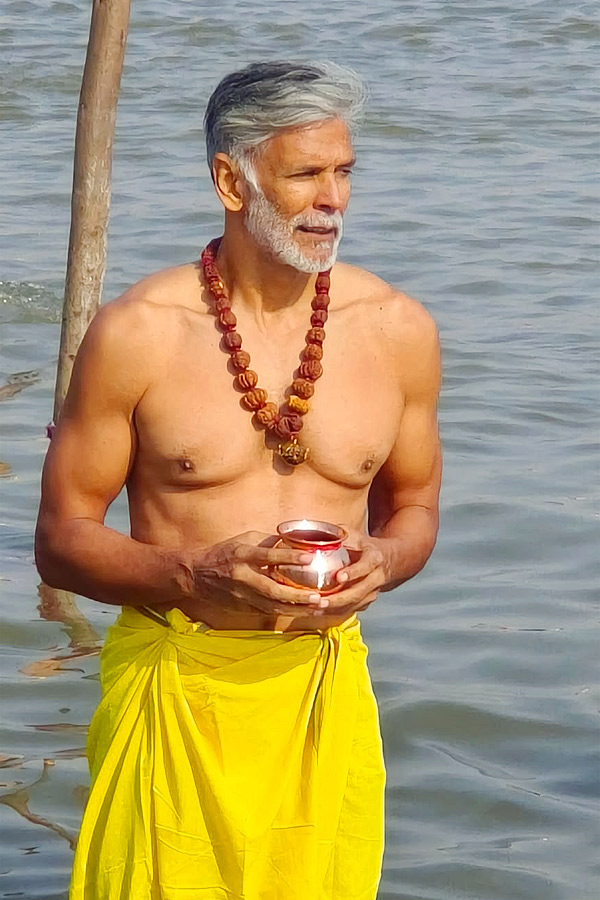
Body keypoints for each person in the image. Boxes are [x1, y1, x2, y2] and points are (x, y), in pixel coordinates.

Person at [35, 61, 442, 900]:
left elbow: (416, 508)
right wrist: (189, 573)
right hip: (177, 682)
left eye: (344, 172)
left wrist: (386, 563)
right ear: (231, 178)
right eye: (305, 175)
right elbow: (61, 540)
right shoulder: (138, 334)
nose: (334, 199)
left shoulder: (397, 329)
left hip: (322, 686)